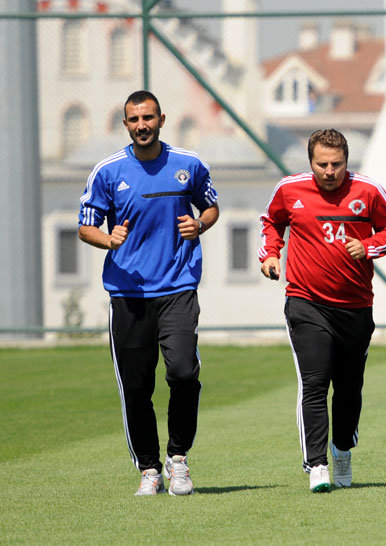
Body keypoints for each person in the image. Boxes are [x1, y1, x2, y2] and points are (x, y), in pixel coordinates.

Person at [78, 90, 219, 496]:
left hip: (178, 287)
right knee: (136, 387)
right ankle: (149, 469)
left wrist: (200, 225)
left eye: (149, 118)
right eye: (135, 119)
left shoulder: (189, 164)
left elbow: (211, 207)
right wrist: (108, 240)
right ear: (126, 124)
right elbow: (85, 226)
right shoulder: (108, 171)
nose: (142, 125)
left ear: (161, 120)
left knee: (183, 373)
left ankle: (178, 459)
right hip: (128, 294)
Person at [259, 128, 386, 493]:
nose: (329, 171)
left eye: (336, 164)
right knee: (314, 383)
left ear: (346, 162)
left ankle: (341, 451)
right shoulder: (290, 190)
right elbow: (271, 222)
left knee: (349, 389)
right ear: (310, 162)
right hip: (305, 302)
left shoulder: (368, 191)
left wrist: (368, 247)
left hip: (355, 307)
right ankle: (317, 464)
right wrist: (271, 254)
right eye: (322, 164)